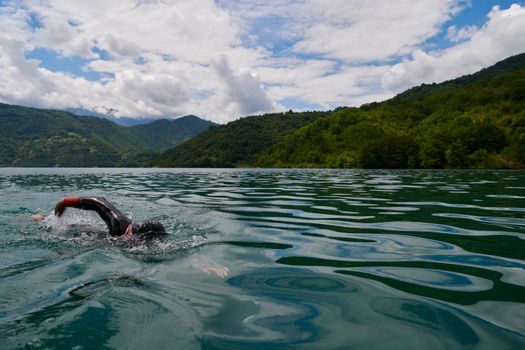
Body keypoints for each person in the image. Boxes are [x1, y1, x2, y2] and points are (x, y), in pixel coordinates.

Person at [51, 196, 166, 238]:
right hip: (94, 235)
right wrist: (65, 202)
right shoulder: (119, 224)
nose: (126, 237)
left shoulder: (151, 242)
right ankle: (42, 220)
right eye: (128, 233)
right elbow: (99, 202)